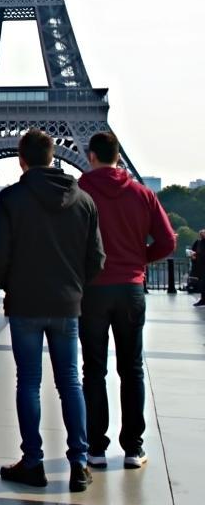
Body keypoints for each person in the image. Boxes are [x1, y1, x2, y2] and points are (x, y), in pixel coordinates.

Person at [0, 129, 105, 493]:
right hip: (67, 305)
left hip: (25, 303)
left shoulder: (10, 198)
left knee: (29, 383)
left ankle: (33, 462)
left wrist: (11, 284)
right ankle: (80, 464)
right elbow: (96, 258)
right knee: (70, 382)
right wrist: (74, 288)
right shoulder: (84, 201)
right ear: (53, 156)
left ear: (21, 159)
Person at [77, 132, 176, 469]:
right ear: (118, 157)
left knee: (93, 370)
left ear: (90, 157)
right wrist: (138, 260)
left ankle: (95, 448)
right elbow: (167, 241)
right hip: (131, 289)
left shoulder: (80, 192)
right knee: (131, 369)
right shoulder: (142, 194)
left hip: (92, 290)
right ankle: (133, 448)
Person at [192, 229, 205, 305]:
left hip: (201, 265)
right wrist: (193, 256)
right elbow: (193, 251)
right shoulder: (198, 242)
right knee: (202, 284)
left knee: (203, 284)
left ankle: (203, 300)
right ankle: (203, 299)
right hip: (200, 266)